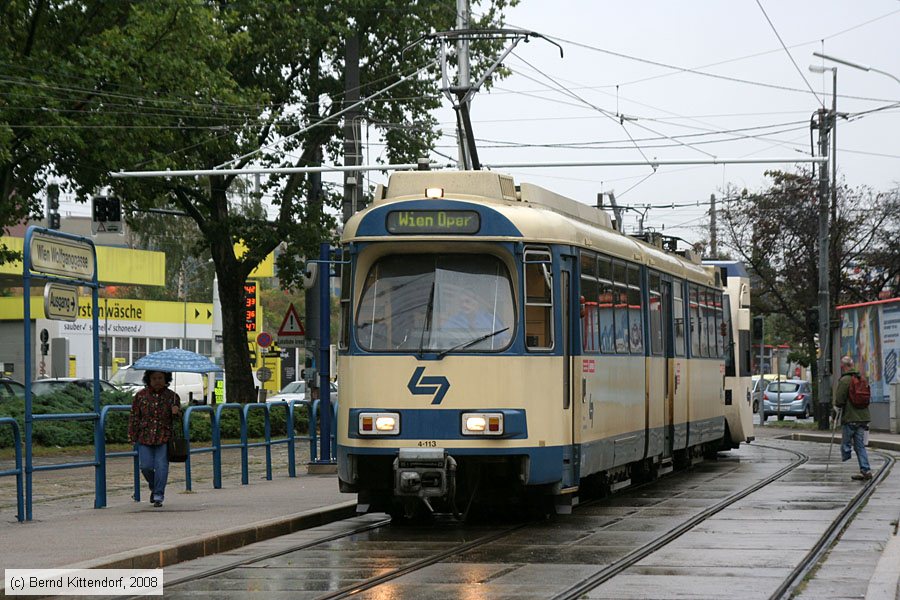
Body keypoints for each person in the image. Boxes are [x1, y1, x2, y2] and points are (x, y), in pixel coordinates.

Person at [128, 370, 181, 507]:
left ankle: (158, 494)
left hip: (164, 436)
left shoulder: (172, 397)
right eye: (154, 378)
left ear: (166, 379)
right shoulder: (141, 396)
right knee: (145, 466)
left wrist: (176, 412)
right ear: (148, 379)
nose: (157, 381)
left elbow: (178, 419)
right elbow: (134, 416)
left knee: (162, 466)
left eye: (160, 378)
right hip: (145, 436)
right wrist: (132, 435)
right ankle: (154, 486)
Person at [833, 355, 872, 481]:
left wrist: (836, 409)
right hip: (863, 417)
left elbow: (839, 400)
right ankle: (865, 470)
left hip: (850, 417)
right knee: (860, 445)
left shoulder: (845, 380)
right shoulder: (861, 378)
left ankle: (846, 455)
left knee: (846, 442)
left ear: (843, 366)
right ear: (852, 364)